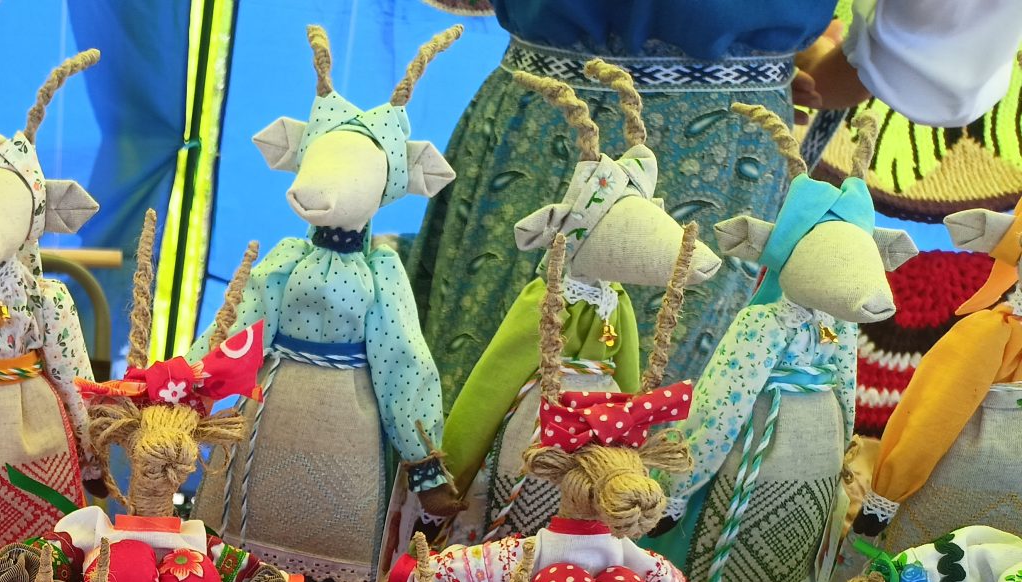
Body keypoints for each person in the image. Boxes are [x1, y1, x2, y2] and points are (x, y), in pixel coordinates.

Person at [410, 2, 1022, 406]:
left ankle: (465, 563)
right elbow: (950, 27)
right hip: (722, 130)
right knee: (651, 422)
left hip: (541, 110)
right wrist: (855, 68)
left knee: (487, 384)